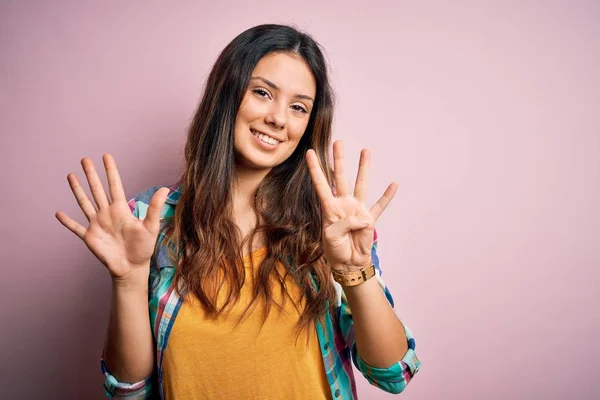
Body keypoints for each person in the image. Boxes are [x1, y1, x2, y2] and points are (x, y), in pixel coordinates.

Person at [55, 24, 420, 400]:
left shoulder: (330, 225)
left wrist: (354, 273)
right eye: (262, 93)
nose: (279, 118)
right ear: (226, 96)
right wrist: (128, 281)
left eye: (298, 107)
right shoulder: (151, 220)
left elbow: (392, 374)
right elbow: (128, 392)